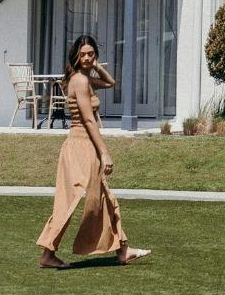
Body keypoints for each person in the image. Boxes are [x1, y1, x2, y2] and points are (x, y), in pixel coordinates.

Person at [35, 34, 150, 268]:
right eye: (83, 54)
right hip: (80, 144)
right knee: (69, 201)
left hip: (84, 144)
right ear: (75, 56)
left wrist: (96, 66)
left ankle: (122, 249)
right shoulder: (79, 81)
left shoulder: (84, 78)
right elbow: (88, 119)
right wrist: (105, 152)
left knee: (105, 196)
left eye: (91, 54)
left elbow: (111, 83)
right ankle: (48, 254)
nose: (87, 58)